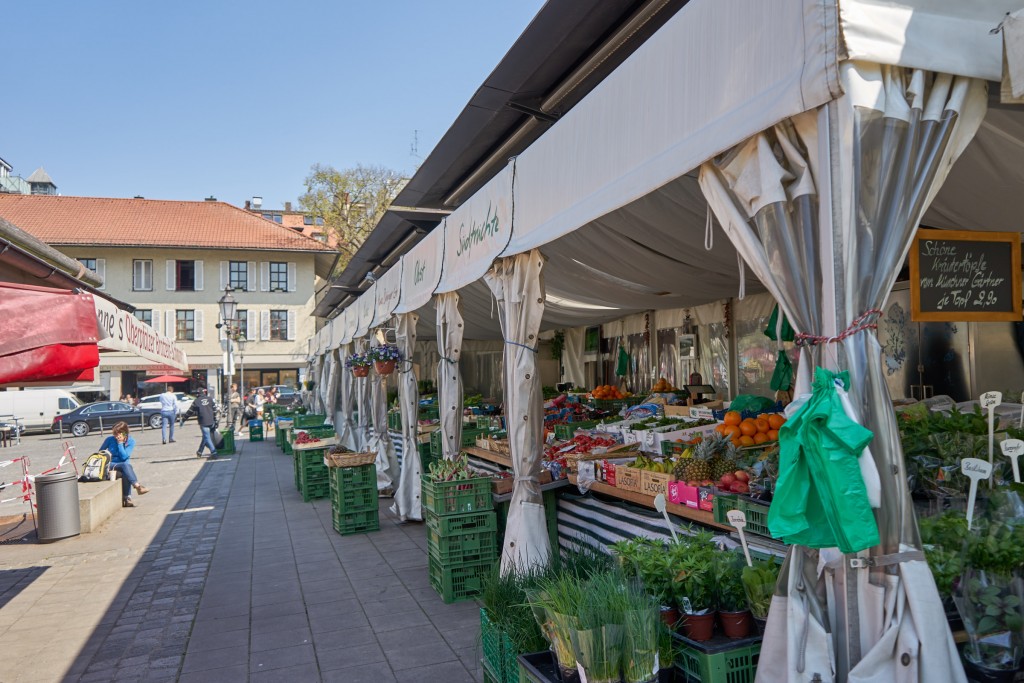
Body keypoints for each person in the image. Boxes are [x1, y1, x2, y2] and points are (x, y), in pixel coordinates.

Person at [100, 421, 149, 508]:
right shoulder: (109, 439)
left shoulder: (131, 441)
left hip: (123, 466)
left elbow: (124, 457)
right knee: (127, 466)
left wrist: (120, 444)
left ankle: (127, 498)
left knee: (126, 469)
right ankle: (136, 487)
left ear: (124, 432)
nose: (116, 436)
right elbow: (101, 453)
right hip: (111, 464)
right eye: (114, 433)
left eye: (118, 433)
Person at [185, 388, 218, 458]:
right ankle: (199, 452)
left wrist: (184, 419)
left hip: (203, 422)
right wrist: (215, 420)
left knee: (207, 438)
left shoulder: (196, 401)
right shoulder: (210, 399)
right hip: (211, 421)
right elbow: (215, 410)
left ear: (197, 394)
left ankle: (214, 452)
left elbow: (189, 412)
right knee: (205, 437)